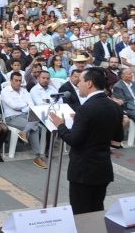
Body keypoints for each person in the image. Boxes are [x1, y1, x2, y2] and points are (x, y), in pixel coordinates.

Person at [49, 67, 124, 215]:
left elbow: (74, 140)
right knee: (96, 210)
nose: (78, 84)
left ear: (89, 83)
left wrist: (61, 126)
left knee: (81, 214)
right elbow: (117, 139)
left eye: (81, 81)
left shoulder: (86, 108)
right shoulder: (114, 106)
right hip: (102, 168)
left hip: (84, 171)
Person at [0, 72, 48, 169]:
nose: (18, 83)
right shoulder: (5, 91)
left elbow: (31, 105)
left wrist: (24, 107)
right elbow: (14, 106)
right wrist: (25, 106)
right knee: (35, 128)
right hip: (12, 117)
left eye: (20, 81)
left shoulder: (24, 90)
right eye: (16, 81)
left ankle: (24, 132)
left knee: (37, 116)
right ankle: (37, 156)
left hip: (26, 115)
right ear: (11, 81)